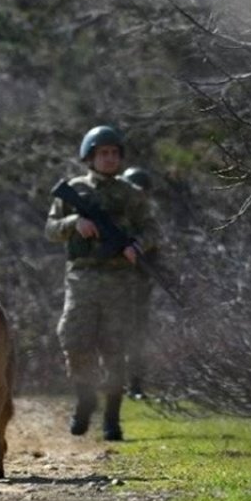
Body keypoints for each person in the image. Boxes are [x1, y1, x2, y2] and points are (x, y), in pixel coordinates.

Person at [44, 125, 157, 442]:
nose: (109, 159)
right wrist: (74, 223)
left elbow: (152, 229)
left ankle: (112, 418)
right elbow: (50, 229)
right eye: (103, 153)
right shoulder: (75, 189)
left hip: (119, 280)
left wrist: (137, 246)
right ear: (90, 157)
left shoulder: (131, 194)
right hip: (82, 278)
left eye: (114, 153)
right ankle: (85, 398)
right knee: (74, 340)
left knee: (115, 348)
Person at [120, 166, 157, 400]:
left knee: (137, 336)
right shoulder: (116, 216)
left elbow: (154, 246)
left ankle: (135, 384)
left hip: (139, 285)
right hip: (111, 284)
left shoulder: (146, 220)